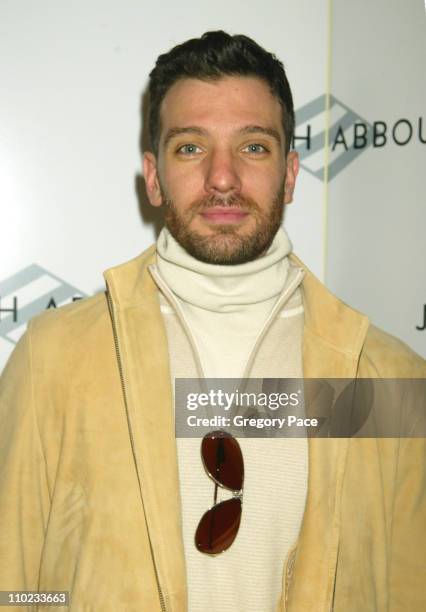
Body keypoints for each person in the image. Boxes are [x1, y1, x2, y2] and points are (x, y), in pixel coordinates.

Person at [0, 30, 424, 612]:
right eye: (191, 148)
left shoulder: (384, 379)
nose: (222, 178)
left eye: (252, 147)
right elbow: (15, 585)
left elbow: (407, 591)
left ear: (292, 173)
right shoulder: (56, 359)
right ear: (152, 177)